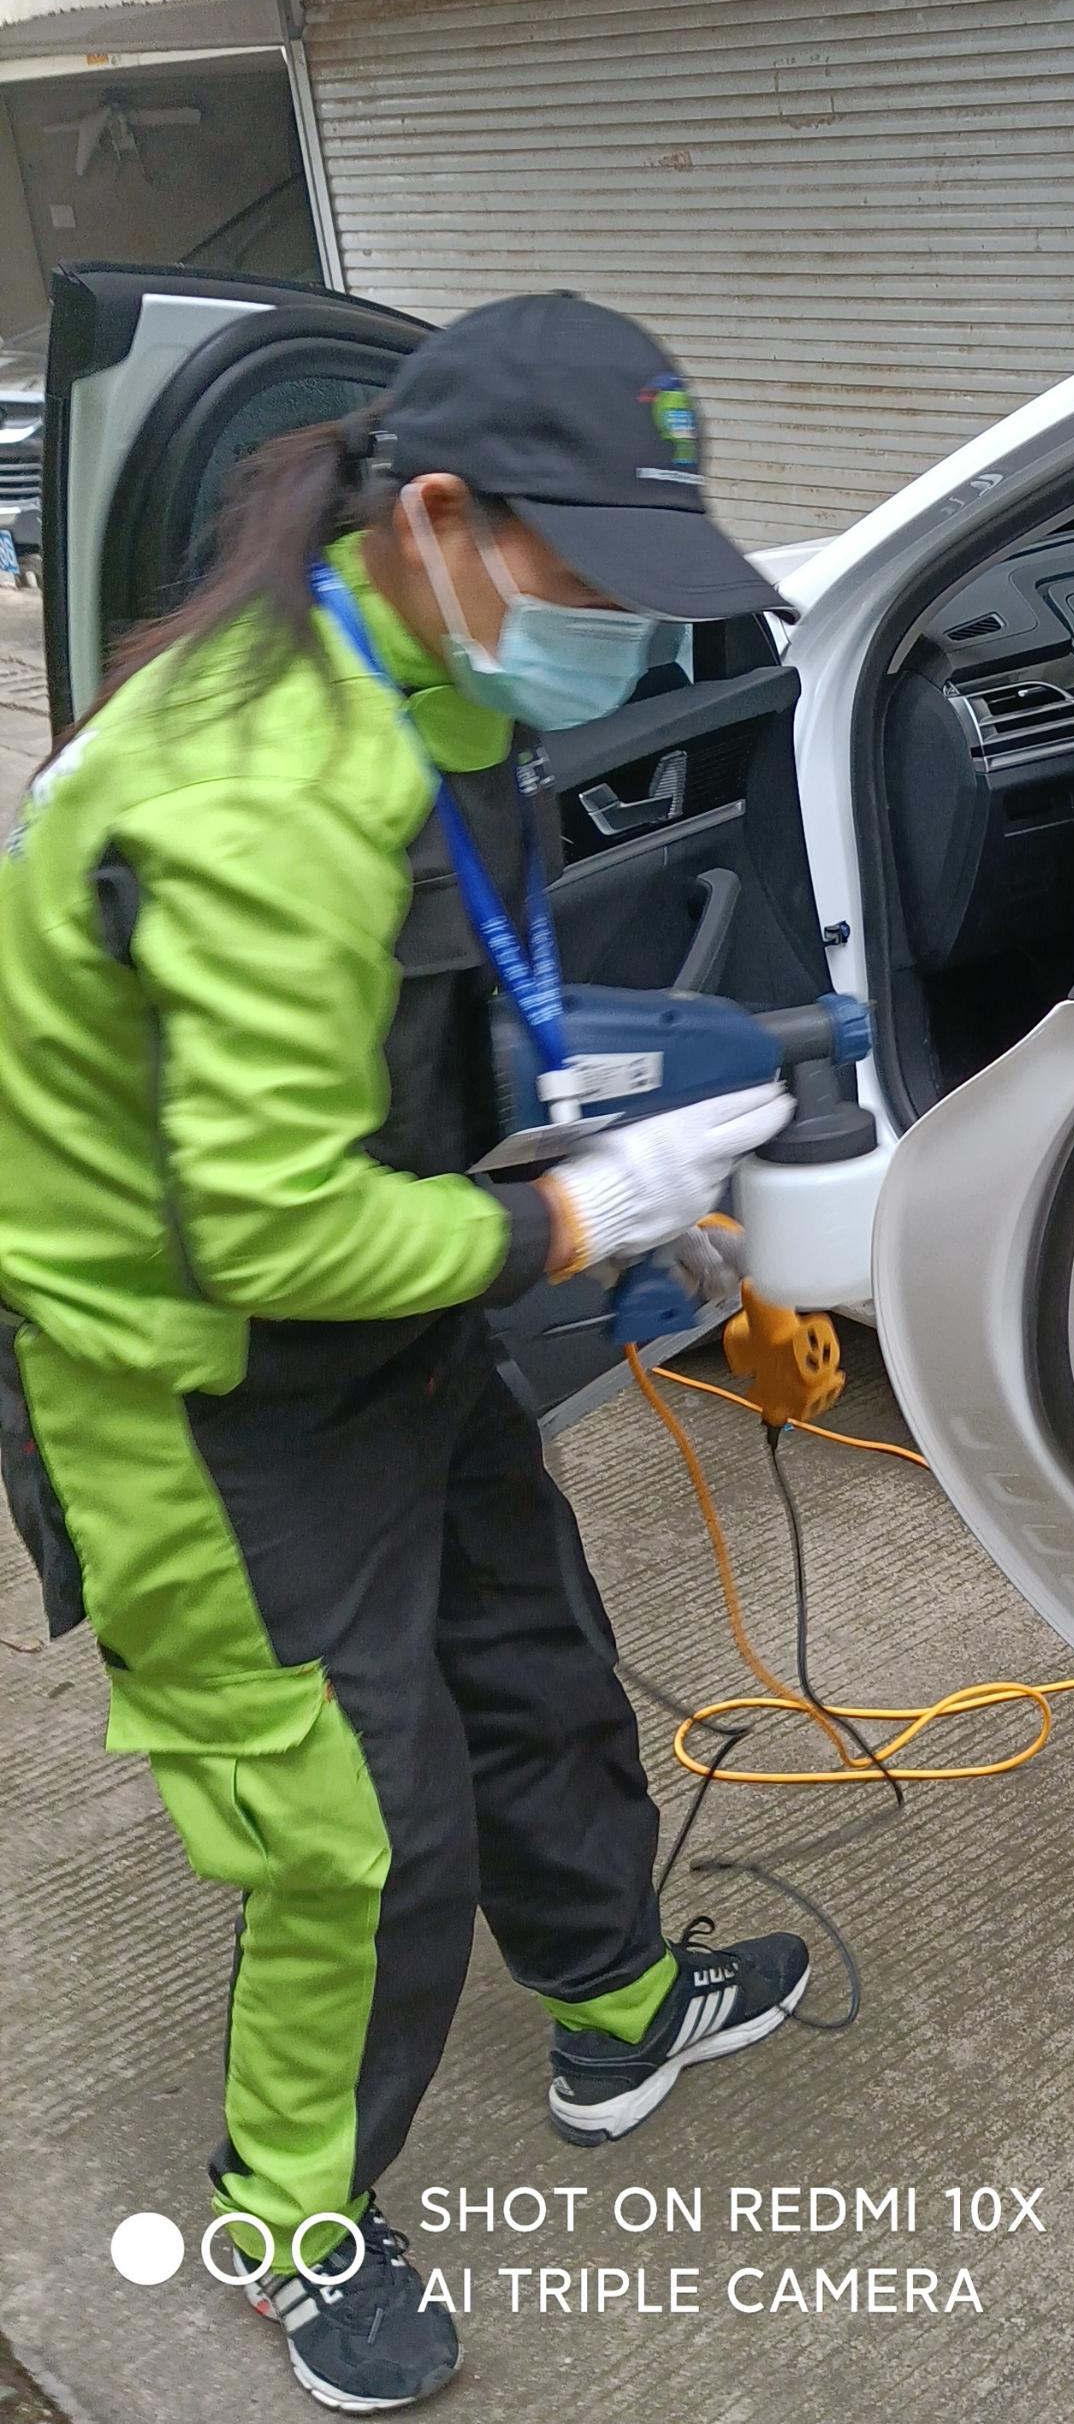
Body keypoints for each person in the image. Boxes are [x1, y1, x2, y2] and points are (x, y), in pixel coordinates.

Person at [0, 294, 814, 2412]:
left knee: (535, 1665)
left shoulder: (439, 682)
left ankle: (617, 2007)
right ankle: (287, 2218)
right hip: (190, 1380)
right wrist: (576, 1218)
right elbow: (267, 1225)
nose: (619, 631)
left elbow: (435, 1017)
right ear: (438, 517)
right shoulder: (248, 789)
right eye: (593, 580)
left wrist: (615, 1158)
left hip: (395, 1311)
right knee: (347, 1818)